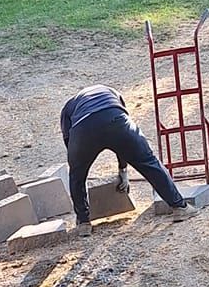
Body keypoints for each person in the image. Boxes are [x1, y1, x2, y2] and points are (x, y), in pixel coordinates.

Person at [60, 85, 196, 228]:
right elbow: (122, 139)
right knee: (148, 162)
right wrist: (123, 170)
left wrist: (78, 165)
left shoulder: (68, 107)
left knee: (76, 177)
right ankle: (180, 207)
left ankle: (83, 223)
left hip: (83, 129)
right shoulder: (111, 92)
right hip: (116, 119)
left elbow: (69, 142)